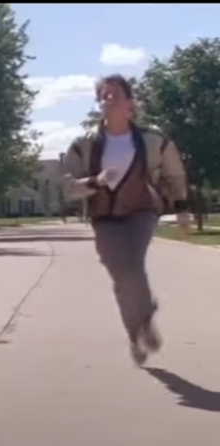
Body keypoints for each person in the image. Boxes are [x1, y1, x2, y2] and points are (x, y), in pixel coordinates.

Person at [60, 73, 190, 366]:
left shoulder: (152, 139)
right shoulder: (85, 145)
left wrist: (181, 206)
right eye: (103, 95)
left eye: (115, 94)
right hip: (104, 217)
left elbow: (175, 173)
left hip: (140, 211)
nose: (108, 99)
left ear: (130, 104)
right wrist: (95, 181)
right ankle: (137, 332)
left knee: (132, 265)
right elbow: (67, 186)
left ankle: (144, 319)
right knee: (120, 276)